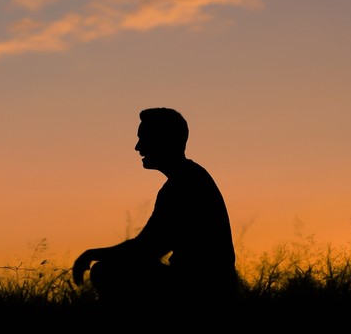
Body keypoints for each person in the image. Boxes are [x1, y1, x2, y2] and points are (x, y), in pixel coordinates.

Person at [72, 107, 239, 308]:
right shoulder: (190, 178)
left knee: (107, 271)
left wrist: (91, 254)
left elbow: (146, 248)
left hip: (202, 292)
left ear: (165, 140)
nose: (137, 147)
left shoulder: (183, 185)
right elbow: (149, 246)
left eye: (144, 138)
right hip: (209, 287)